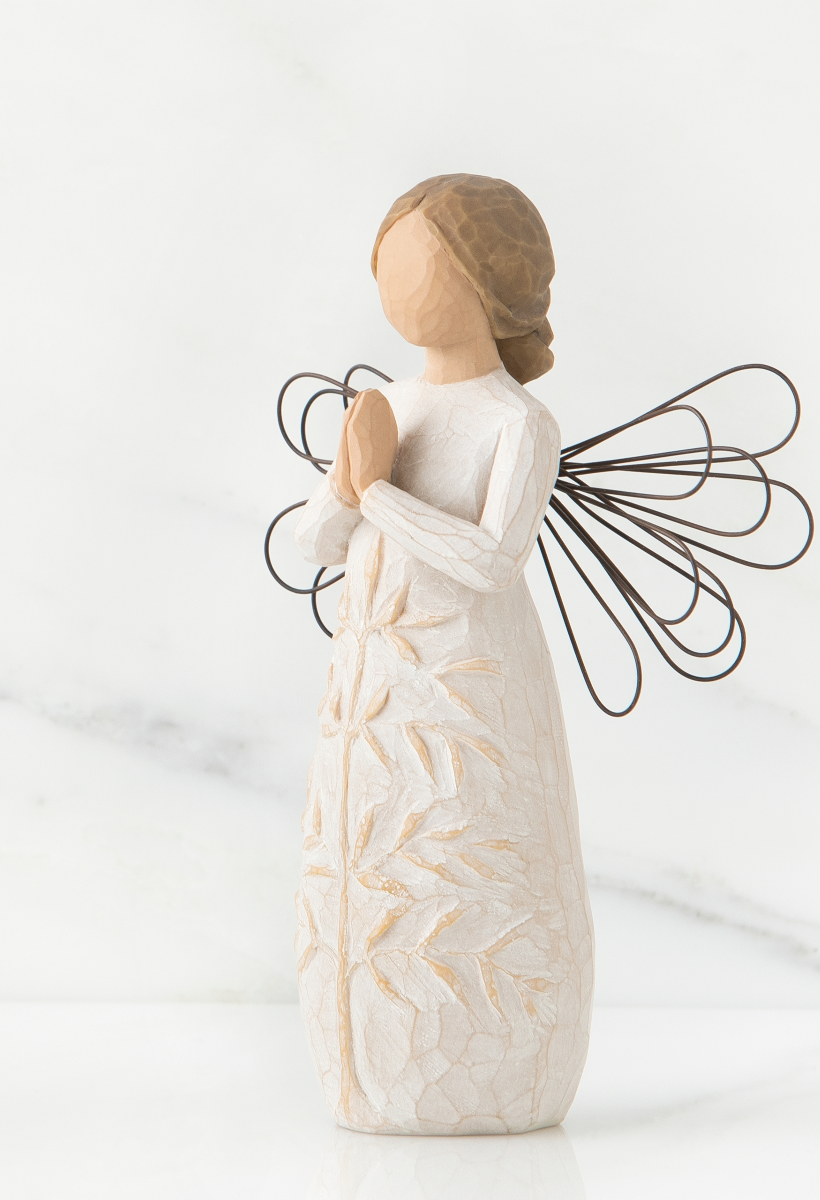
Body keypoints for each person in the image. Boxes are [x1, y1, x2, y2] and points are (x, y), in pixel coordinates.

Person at [293, 174, 594, 1135]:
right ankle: (364, 1066)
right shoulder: (388, 403)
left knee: (468, 851)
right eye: (387, 265)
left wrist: (380, 493)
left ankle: (510, 1073)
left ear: (488, 279)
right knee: (362, 858)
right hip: (371, 694)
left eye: (417, 263)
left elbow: (494, 561)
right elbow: (313, 541)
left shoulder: (517, 424)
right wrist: (348, 486)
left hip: (468, 689)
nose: (394, 285)